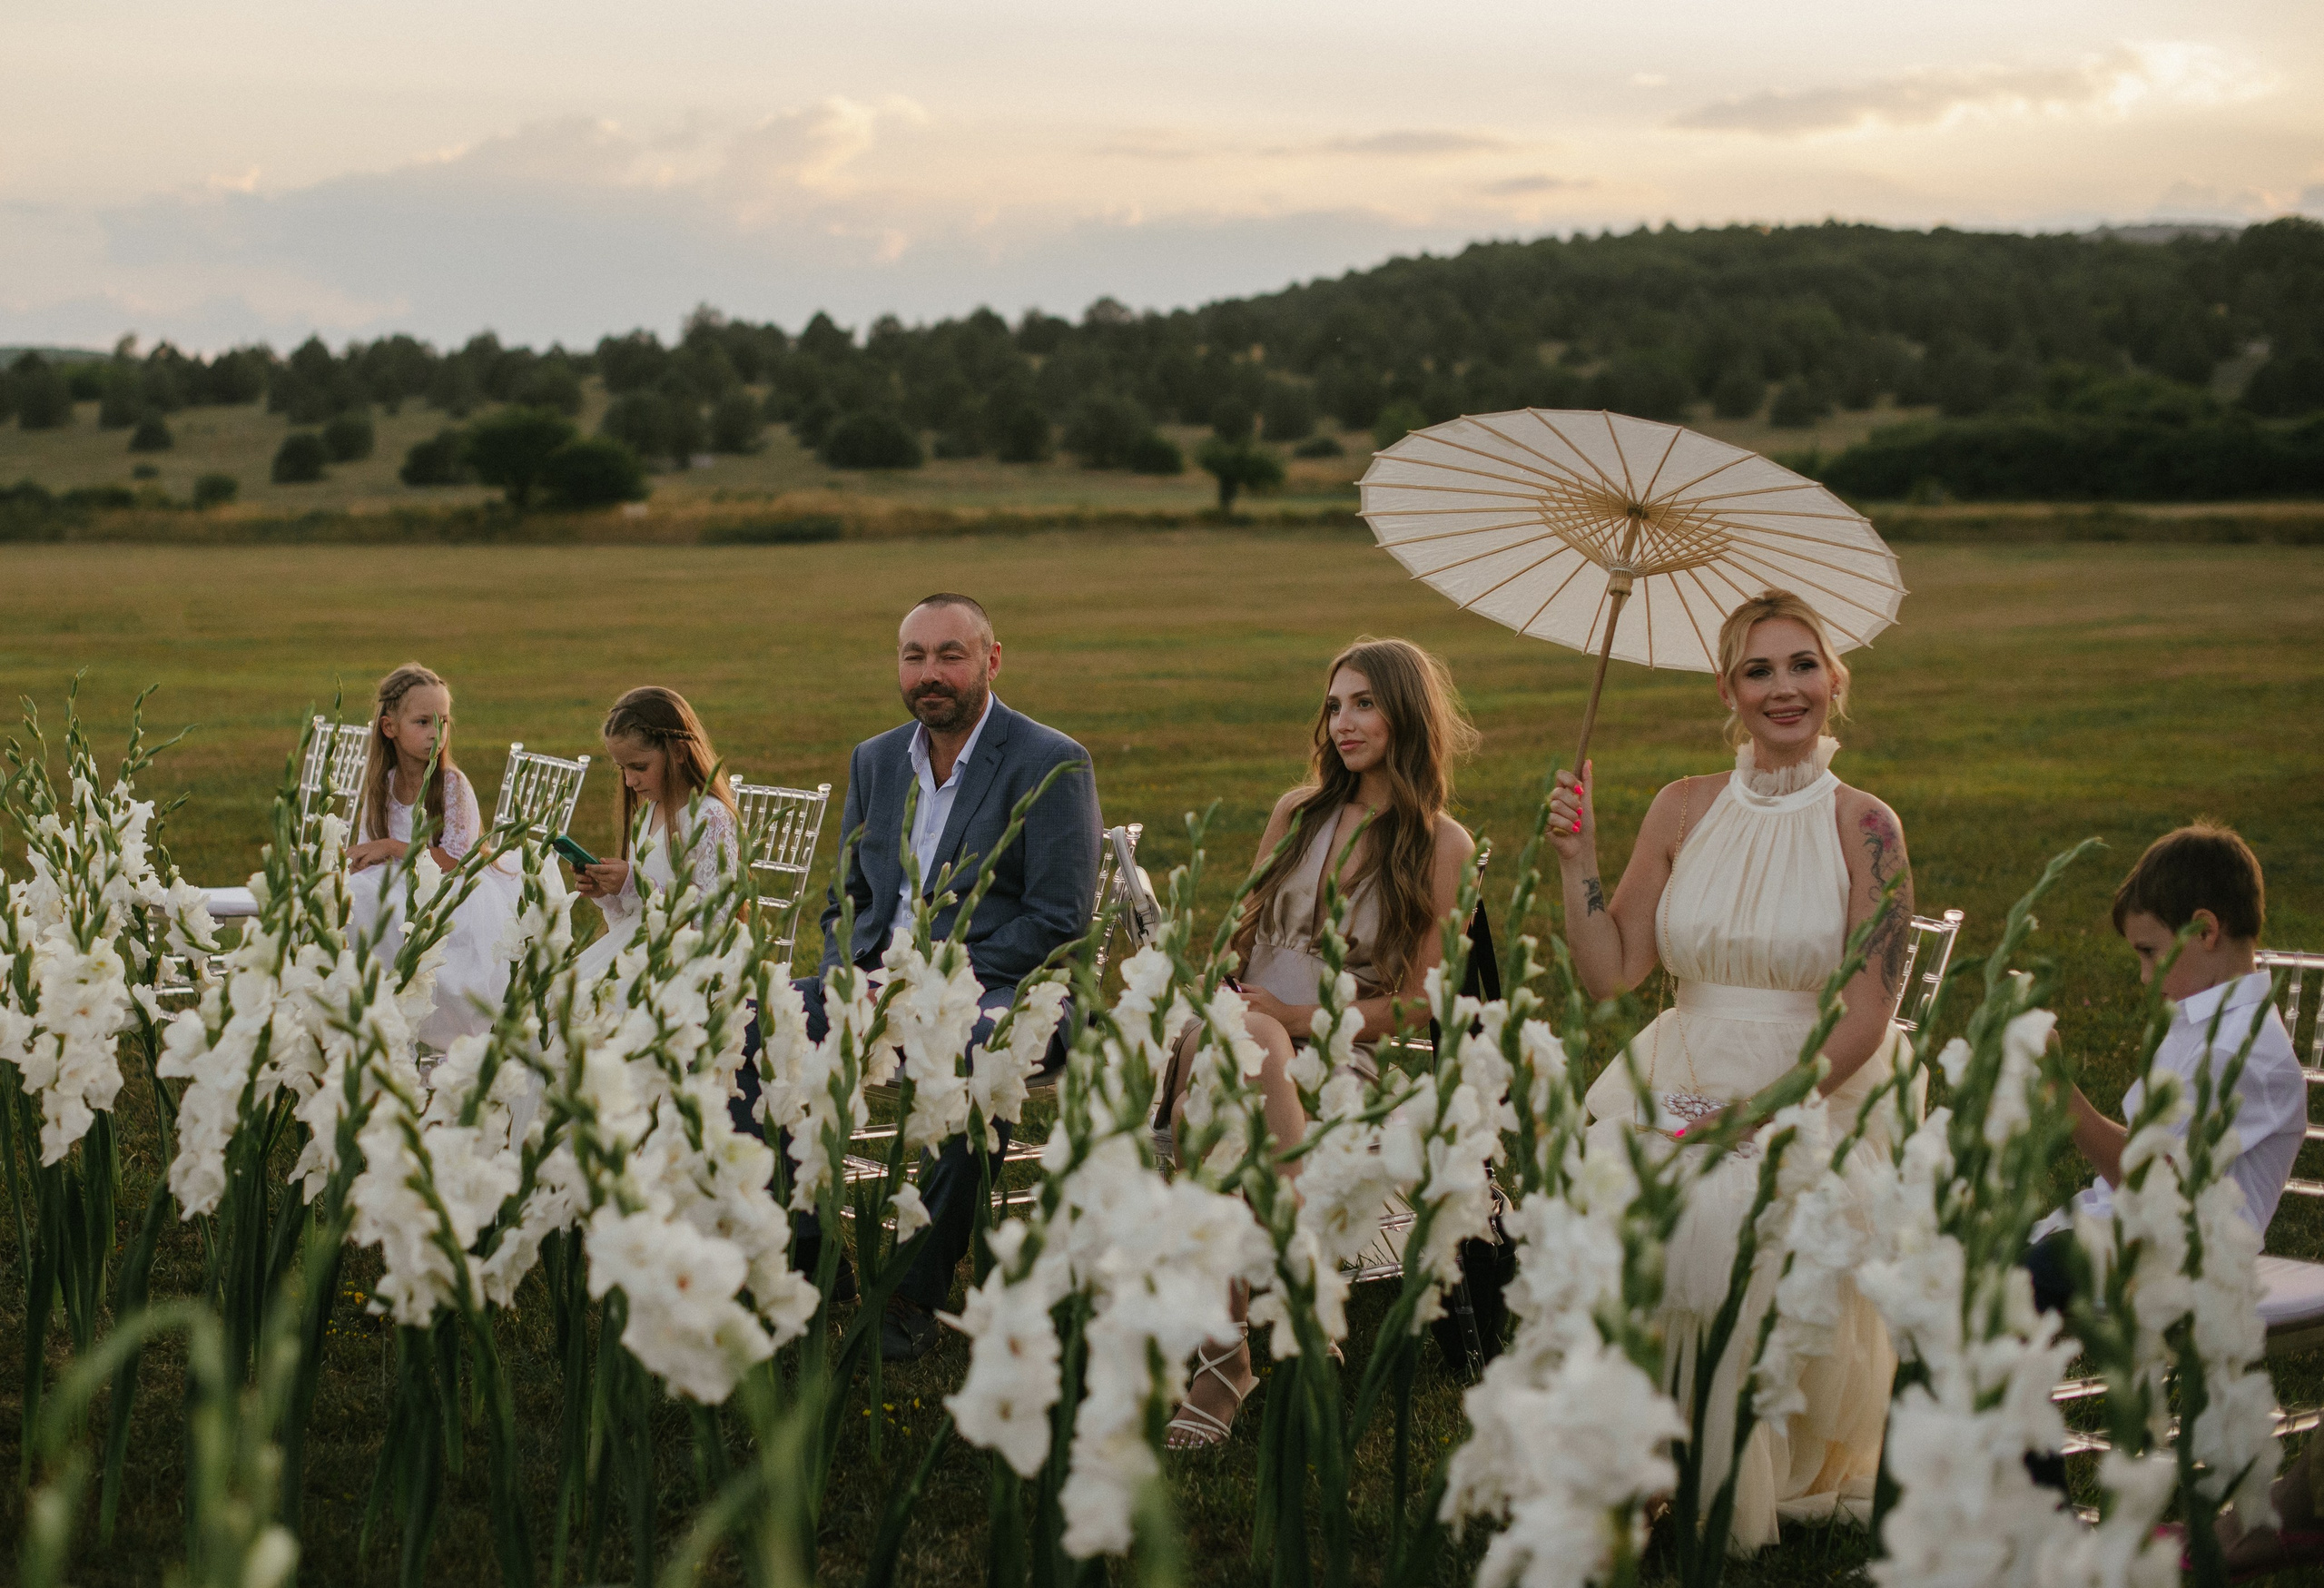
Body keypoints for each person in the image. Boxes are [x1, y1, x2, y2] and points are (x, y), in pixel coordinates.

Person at [1547, 589, 1913, 1554]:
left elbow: (1870, 1013)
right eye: (1758, 669)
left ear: (1834, 680)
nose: (1783, 688)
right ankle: (1626, 1461)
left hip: (1812, 1083)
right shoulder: (1681, 805)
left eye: (1802, 665)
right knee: (1622, 1187)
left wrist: (1764, 1109)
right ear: (1727, 688)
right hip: (1683, 1067)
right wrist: (1575, 858)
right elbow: (1611, 970)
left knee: (1714, 1200)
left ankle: (1690, 1473)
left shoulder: (1865, 825)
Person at [732, 593, 1100, 1362]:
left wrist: (925, 976)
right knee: (744, 1021)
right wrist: (848, 978)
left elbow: (1057, 918)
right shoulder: (875, 759)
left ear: (991, 660)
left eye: (950, 654)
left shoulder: (1051, 760)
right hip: (872, 985)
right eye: (915, 656)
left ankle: (911, 1287)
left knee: (977, 1063)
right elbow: (845, 899)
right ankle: (803, 1250)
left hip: (1001, 989)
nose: (931, 673)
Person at [1161, 636, 1478, 1449]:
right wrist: (1229, 988)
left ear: (1406, 712)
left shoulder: (1443, 845)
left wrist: (1305, 1021)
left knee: (1248, 1049)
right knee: (1227, 1032)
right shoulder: (1297, 812)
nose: (1344, 721)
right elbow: (1238, 942)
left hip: (1341, 1059)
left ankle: (1225, 1356)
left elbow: (1418, 1009)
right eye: (1335, 704)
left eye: (1365, 702)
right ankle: (1296, 1240)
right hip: (1236, 1035)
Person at [2020, 826, 2304, 1557]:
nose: (2144, 976)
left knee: (2023, 1283)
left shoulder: (2242, 1052)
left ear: (2204, 930)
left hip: (2191, 1253)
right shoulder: (2198, 1024)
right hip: (2131, 1233)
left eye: (2150, 953)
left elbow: (2156, 1185)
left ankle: (2041, 1539)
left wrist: (2065, 1098)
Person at [344, 662, 518, 1050]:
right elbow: (368, 850)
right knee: (354, 895)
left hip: (454, 893)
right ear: (390, 728)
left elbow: (457, 860)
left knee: (373, 901)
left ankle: (408, 1010)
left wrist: (390, 848)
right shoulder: (382, 785)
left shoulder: (451, 785)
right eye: (422, 722)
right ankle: (371, 1007)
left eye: (443, 721)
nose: (435, 733)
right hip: (404, 885)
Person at [570, 687, 742, 983]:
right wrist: (609, 894)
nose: (628, 780)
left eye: (639, 767)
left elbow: (714, 921)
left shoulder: (708, 817)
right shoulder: (648, 812)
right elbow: (634, 918)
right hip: (641, 952)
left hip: (685, 969)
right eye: (621, 768)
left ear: (678, 752)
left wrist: (636, 884)